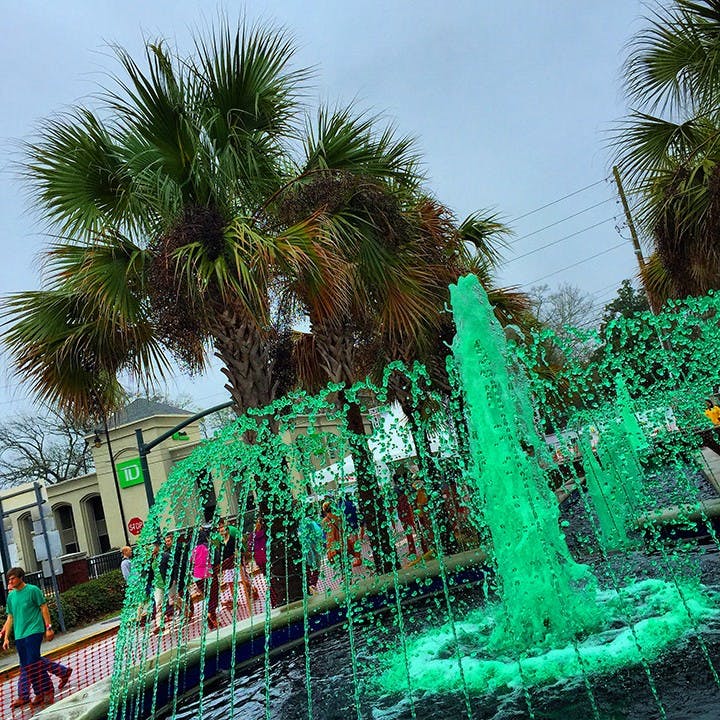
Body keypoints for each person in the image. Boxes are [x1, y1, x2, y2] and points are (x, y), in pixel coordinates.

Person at [1, 567, 71, 708]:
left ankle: (47, 690)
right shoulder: (11, 597)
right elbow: (10, 617)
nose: (10, 582)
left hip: (34, 631)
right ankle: (40, 692)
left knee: (33, 662)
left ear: (21, 578)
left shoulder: (33, 590)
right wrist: (6, 637)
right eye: (9, 579)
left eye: (13, 578)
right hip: (20, 634)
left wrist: (48, 627)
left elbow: (43, 608)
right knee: (28, 665)